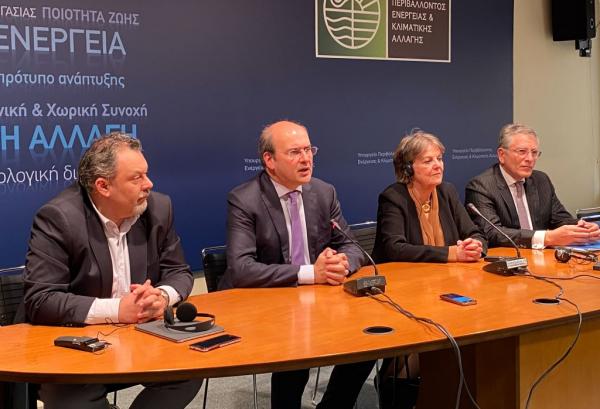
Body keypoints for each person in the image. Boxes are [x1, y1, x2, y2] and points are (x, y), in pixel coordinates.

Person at [18, 132, 202, 409]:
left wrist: (162, 297)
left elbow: (178, 271)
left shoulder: (158, 208)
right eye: (136, 178)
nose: (149, 184)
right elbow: (41, 299)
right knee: (75, 402)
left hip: (139, 338)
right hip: (73, 345)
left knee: (190, 369)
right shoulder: (59, 217)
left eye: (146, 174)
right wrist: (118, 310)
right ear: (103, 186)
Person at [219, 120, 375, 409]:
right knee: (297, 349)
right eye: (294, 152)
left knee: (371, 338)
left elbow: (352, 246)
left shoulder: (324, 192)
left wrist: (340, 263)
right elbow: (241, 269)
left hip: (317, 301)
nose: (306, 159)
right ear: (269, 160)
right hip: (266, 306)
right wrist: (311, 273)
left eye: (308, 150)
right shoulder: (244, 199)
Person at [465, 123, 600, 248]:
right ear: (502, 155)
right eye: (522, 151)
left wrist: (581, 228)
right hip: (508, 259)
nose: (530, 159)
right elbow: (492, 233)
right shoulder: (481, 186)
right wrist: (547, 238)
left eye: (534, 153)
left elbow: (560, 219)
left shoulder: (541, 180)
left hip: (543, 257)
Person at [372, 130, 486, 263]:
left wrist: (475, 246)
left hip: (448, 272)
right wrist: (451, 253)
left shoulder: (447, 192)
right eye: (428, 161)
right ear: (408, 168)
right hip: (405, 274)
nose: (438, 166)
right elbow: (395, 248)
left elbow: (475, 234)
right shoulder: (394, 198)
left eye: (439, 159)